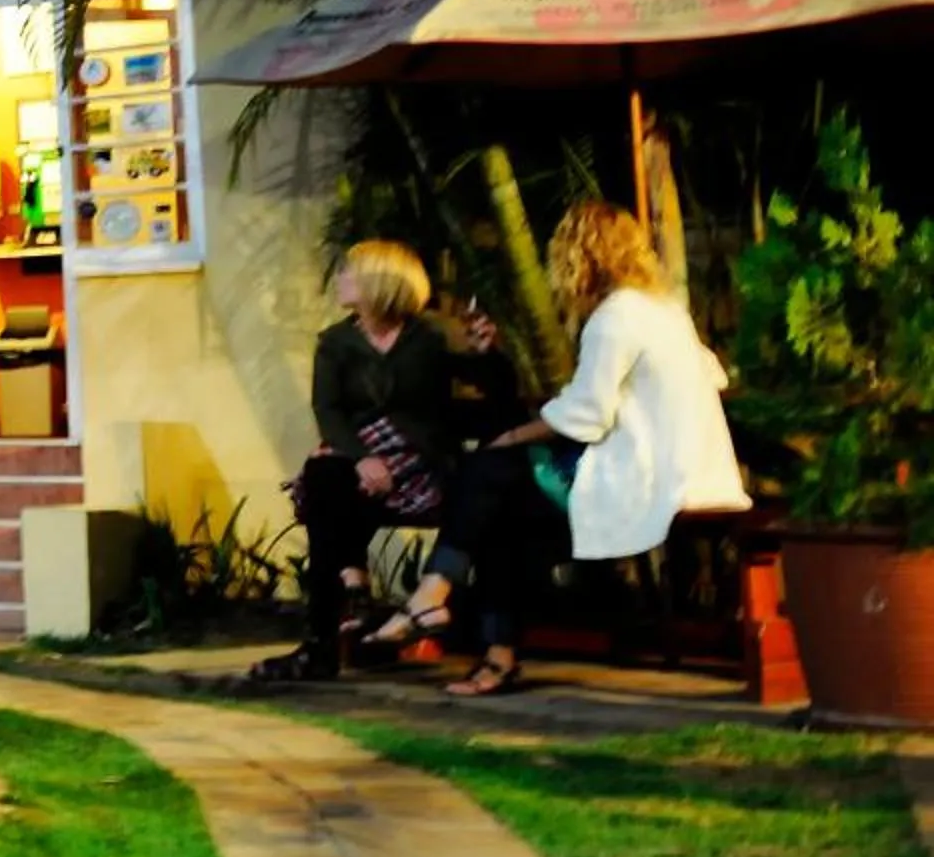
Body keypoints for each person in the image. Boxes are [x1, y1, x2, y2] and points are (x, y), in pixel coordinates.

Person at [367, 202, 747, 696]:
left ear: (579, 257)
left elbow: (587, 415)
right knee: (498, 503)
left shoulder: (614, 317)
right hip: (690, 468)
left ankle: (440, 598)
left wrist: (515, 435)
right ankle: (478, 638)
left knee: (488, 472)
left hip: (648, 478)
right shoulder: (665, 310)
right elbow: (713, 372)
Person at [248, 241, 505, 683]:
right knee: (325, 478)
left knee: (328, 493)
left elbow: (492, 389)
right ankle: (329, 632)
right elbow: (327, 411)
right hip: (364, 465)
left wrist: (487, 353)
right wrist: (363, 459)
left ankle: (334, 623)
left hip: (424, 468)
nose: (340, 279)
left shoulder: (430, 337)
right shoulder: (335, 342)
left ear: (378, 282)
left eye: (349, 272)